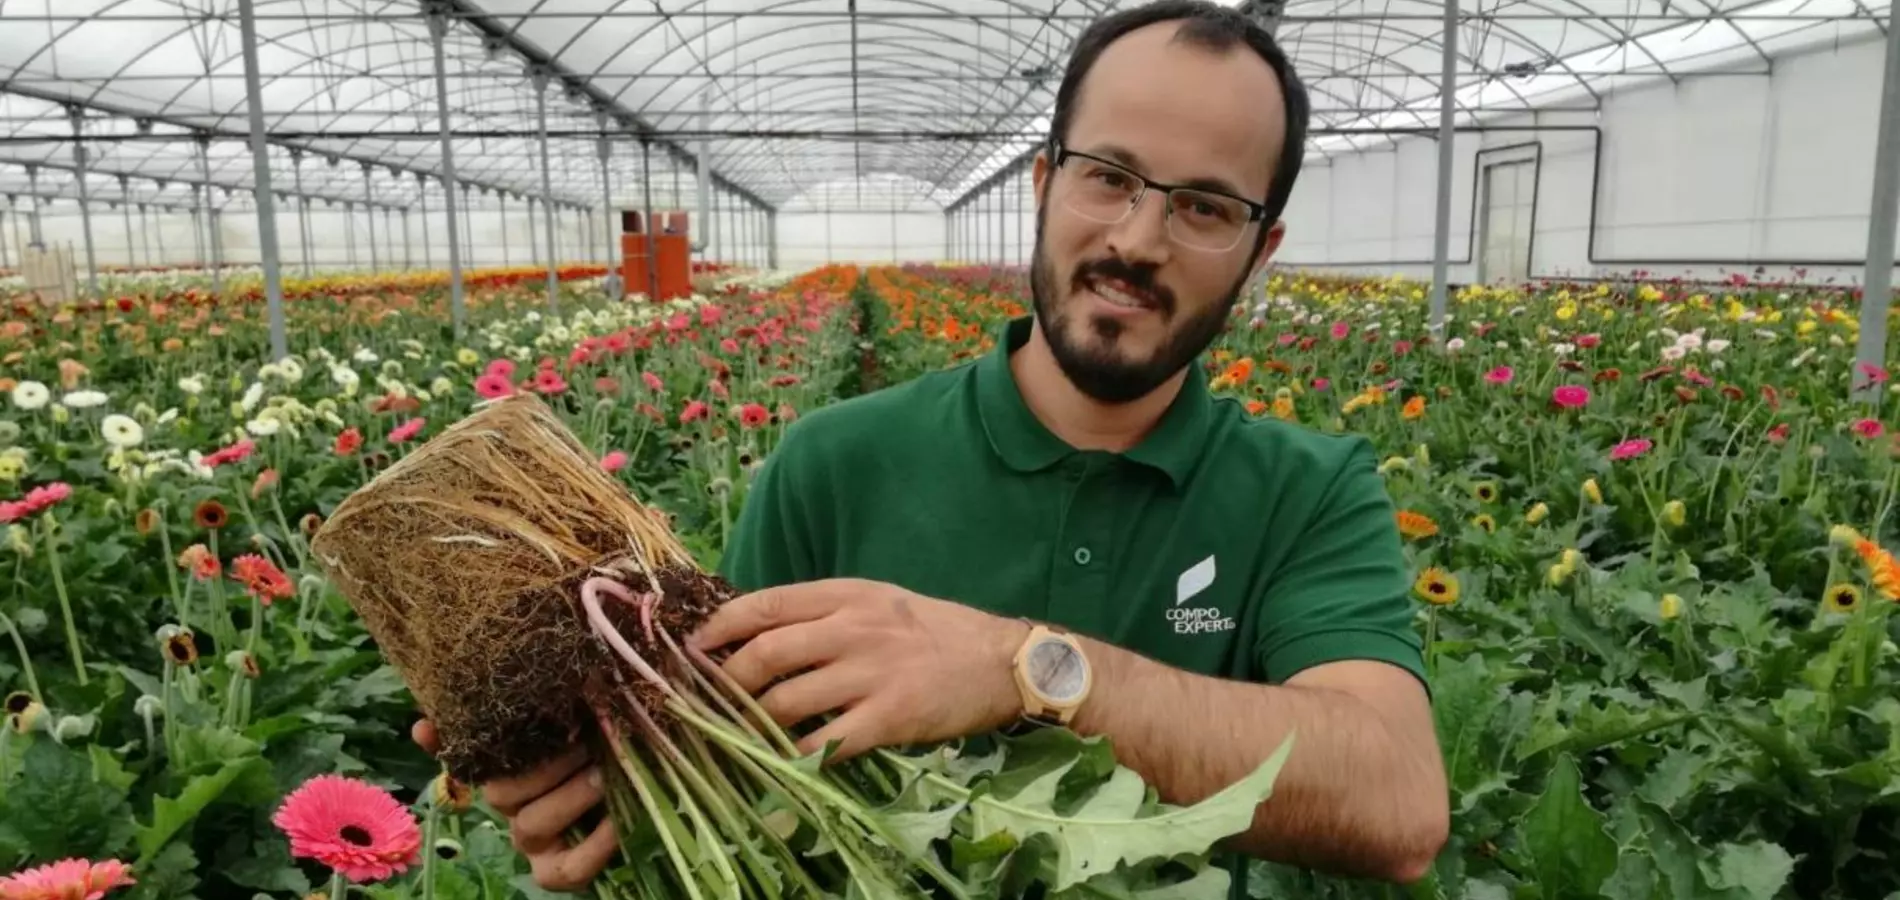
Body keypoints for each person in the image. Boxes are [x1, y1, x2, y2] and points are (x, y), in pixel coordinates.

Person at [413, 0, 1450, 892]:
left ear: (1259, 251)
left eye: (1203, 207)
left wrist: (1026, 669)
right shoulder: (831, 463)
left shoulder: (1310, 490)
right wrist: (611, 791)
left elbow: (1397, 801)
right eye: (1108, 177)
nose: (1137, 239)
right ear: (1043, 182)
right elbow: (732, 774)